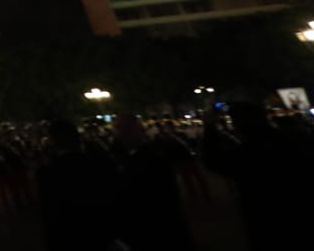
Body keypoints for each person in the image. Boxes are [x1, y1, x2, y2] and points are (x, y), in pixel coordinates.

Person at [200, 101, 314, 250]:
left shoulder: (247, 151)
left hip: (262, 214)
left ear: (240, 124)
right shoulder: (294, 139)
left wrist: (209, 128)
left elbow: (214, 160)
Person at [109, 113, 194, 251]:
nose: (120, 134)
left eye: (124, 129)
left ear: (139, 131)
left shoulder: (148, 159)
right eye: (117, 128)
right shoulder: (139, 157)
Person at [35, 118, 119, 251]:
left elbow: (51, 215)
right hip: (103, 231)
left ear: (53, 141)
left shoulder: (48, 173)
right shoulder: (99, 162)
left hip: (71, 237)